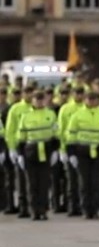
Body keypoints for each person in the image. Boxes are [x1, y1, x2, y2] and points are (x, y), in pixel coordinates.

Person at [66, 91, 99, 219]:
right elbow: (71, 134)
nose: (92, 101)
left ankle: (95, 209)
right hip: (82, 152)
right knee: (84, 183)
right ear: (85, 100)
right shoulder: (77, 115)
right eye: (90, 99)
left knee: (97, 182)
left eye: (95, 99)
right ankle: (86, 209)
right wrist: (71, 153)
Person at [16, 90, 59, 220]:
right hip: (31, 150)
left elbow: (56, 133)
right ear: (33, 100)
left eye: (42, 99)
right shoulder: (26, 116)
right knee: (32, 183)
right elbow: (21, 136)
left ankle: (43, 210)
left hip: (46, 149)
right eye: (37, 99)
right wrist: (20, 155)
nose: (39, 102)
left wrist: (56, 151)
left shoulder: (50, 114)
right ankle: (34, 210)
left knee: (44, 183)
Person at [5, 85, 35, 218]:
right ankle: (23, 208)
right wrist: (12, 149)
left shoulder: (38, 108)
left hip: (35, 147)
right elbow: (10, 130)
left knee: (35, 180)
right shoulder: (16, 109)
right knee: (21, 180)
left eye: (31, 92)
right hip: (21, 147)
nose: (29, 95)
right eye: (27, 92)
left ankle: (35, 206)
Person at [58, 86, 86, 216]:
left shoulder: (86, 108)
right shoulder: (65, 109)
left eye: (81, 93)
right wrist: (62, 149)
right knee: (71, 180)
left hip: (83, 148)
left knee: (83, 180)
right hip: (70, 147)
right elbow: (61, 130)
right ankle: (72, 206)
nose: (79, 95)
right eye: (77, 93)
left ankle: (82, 206)